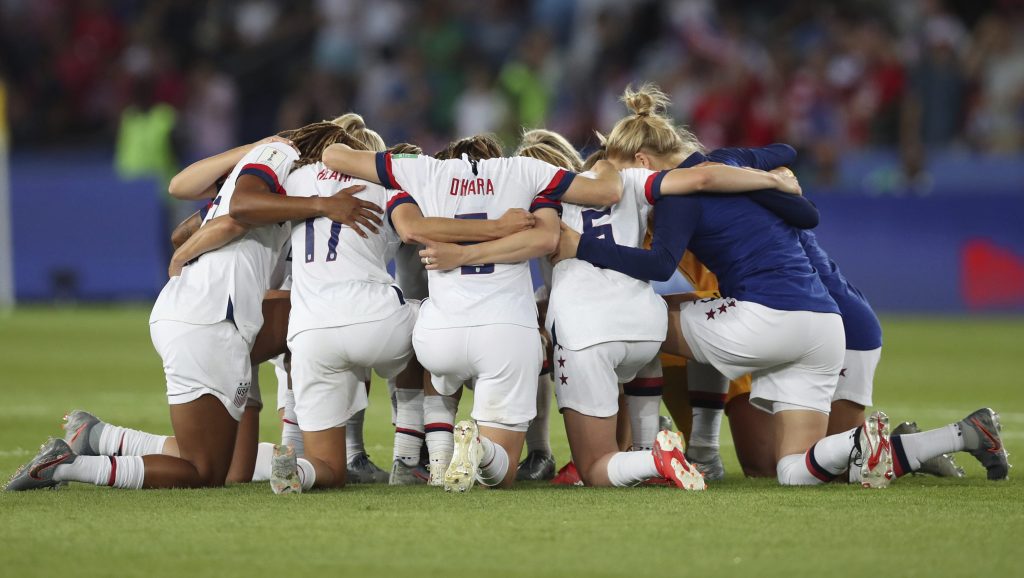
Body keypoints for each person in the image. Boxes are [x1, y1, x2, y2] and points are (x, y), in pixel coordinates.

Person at [553, 84, 1009, 487]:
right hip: (825, 326)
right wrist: (776, 182)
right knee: (795, 470)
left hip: (767, 317)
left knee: (643, 319)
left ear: (643, 162)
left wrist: (580, 246)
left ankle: (655, 449)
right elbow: (791, 167)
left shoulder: (678, 195)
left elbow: (657, 264)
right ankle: (959, 434)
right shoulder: (733, 161)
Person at [7, 122, 378, 491]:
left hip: (203, 316)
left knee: (232, 467)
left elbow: (197, 224)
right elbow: (239, 209)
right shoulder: (282, 155)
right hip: (212, 320)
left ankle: (103, 438)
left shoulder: (284, 189)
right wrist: (321, 204)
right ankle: (67, 466)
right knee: (202, 471)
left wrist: (204, 246)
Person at [321, 133, 620, 491]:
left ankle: (436, 461)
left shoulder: (423, 171)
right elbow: (601, 197)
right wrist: (606, 164)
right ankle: (481, 450)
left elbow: (334, 156)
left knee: (420, 320)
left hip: (439, 337)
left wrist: (461, 249)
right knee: (501, 473)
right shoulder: (527, 171)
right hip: (504, 334)